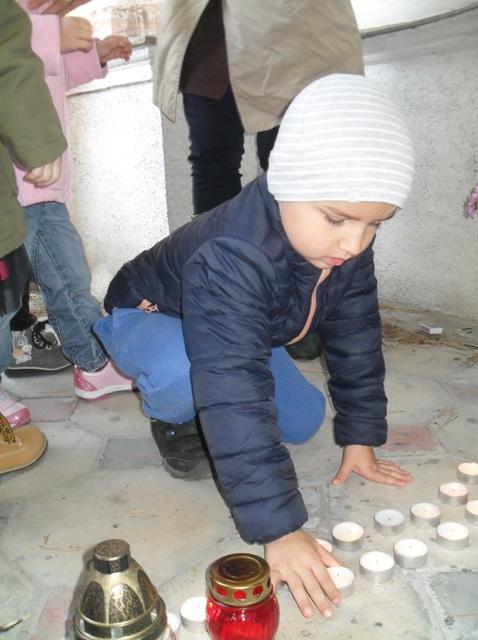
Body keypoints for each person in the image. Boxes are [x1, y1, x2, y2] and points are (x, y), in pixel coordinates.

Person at [94, 74, 416, 619]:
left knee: (302, 420)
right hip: (148, 313)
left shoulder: (346, 246)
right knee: (189, 373)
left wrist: (361, 436)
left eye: (375, 224)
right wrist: (280, 529)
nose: (354, 242)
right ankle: (170, 415)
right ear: (284, 184)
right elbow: (233, 386)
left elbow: (357, 336)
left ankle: (219, 366)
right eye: (337, 218)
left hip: (234, 323)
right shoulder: (233, 251)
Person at [155, 1, 365, 361]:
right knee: (211, 164)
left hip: (287, 29)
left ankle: (300, 306)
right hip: (206, 29)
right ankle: (223, 298)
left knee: (293, 171)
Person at [8, 1, 134, 404]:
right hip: (17, 185)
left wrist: (93, 57)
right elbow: (10, 54)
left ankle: (93, 362)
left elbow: (47, 77)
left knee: (68, 277)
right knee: (42, 286)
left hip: (40, 185)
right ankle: (90, 362)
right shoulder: (20, 18)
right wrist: (49, 35)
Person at [0, 0, 67, 472]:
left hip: (40, 194)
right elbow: (6, 46)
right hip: (33, 193)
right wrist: (39, 141)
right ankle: (29, 350)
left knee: (22, 290)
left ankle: (27, 349)